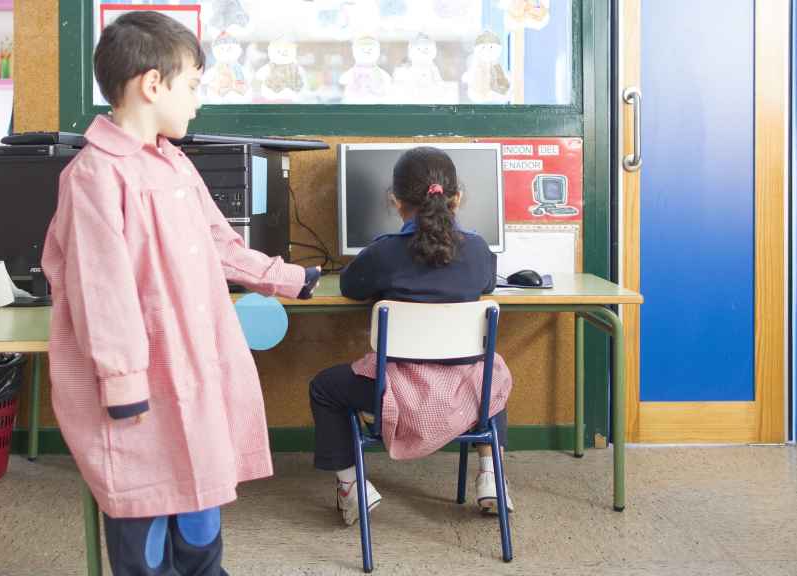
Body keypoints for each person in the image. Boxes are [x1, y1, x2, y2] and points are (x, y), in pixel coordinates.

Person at [41, 11, 320, 575]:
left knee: (200, 509)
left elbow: (219, 242)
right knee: (146, 507)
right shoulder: (97, 175)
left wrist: (287, 277)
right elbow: (101, 291)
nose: (197, 103)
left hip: (195, 368)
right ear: (152, 84)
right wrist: (121, 384)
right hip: (136, 388)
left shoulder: (175, 166)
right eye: (192, 86)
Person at [309, 146, 514, 526]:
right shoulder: (479, 251)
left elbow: (351, 287)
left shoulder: (384, 253)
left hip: (398, 394)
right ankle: (491, 476)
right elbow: (487, 283)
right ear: (457, 198)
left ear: (395, 200)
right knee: (492, 373)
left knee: (324, 387)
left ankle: (352, 487)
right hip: (462, 393)